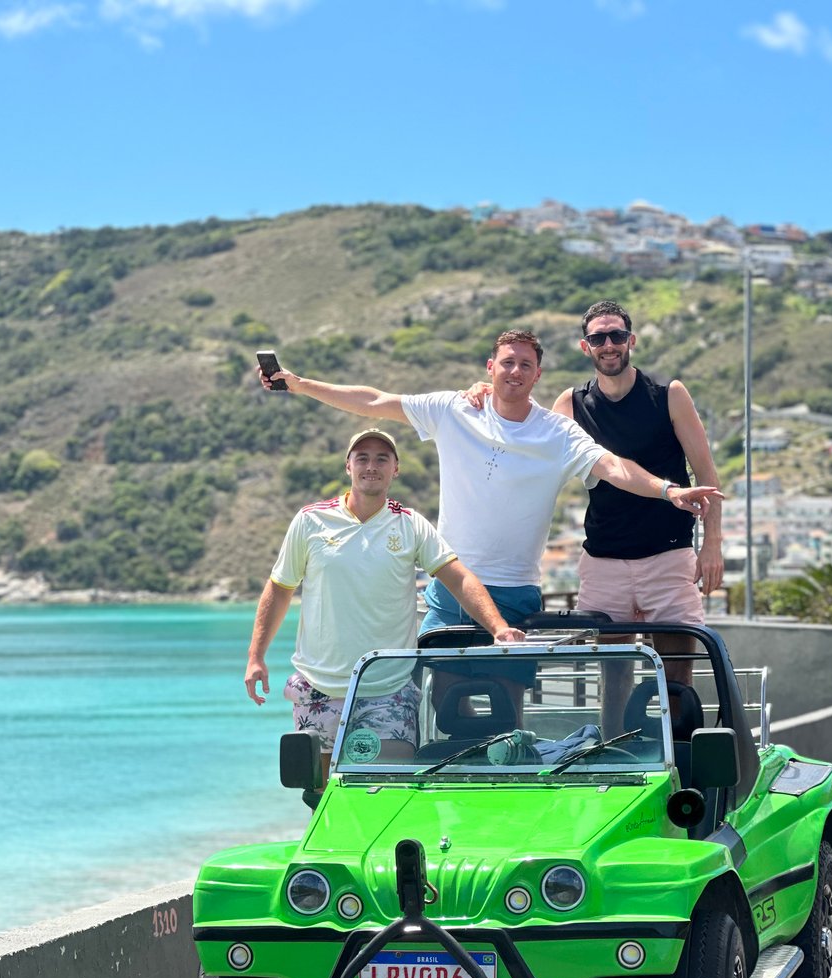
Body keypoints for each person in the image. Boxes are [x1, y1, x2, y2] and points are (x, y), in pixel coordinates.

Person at [258, 330, 720, 641]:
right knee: (437, 707)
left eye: (525, 365)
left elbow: (614, 467)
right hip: (449, 586)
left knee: (506, 708)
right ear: (490, 367)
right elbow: (376, 400)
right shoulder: (452, 409)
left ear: (538, 375)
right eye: (507, 363)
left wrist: (669, 491)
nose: (515, 371)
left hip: (515, 591)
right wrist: (300, 384)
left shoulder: (557, 432)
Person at [244, 427, 524, 789]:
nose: (371, 466)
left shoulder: (410, 525)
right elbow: (280, 588)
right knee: (322, 796)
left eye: (382, 458)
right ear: (348, 467)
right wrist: (256, 656)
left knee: (388, 792)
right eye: (362, 458)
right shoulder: (311, 521)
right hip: (320, 687)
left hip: (387, 688)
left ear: (396, 469)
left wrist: (498, 628)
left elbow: (457, 577)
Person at [554, 300, 724, 734]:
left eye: (616, 336)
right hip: (604, 559)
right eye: (598, 337)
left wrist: (712, 545)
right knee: (612, 679)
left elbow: (706, 476)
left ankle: (679, 765)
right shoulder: (571, 404)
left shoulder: (669, 395)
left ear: (631, 341)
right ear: (585, 346)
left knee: (677, 679)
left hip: (667, 555)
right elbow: (529, 448)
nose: (608, 345)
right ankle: (615, 756)